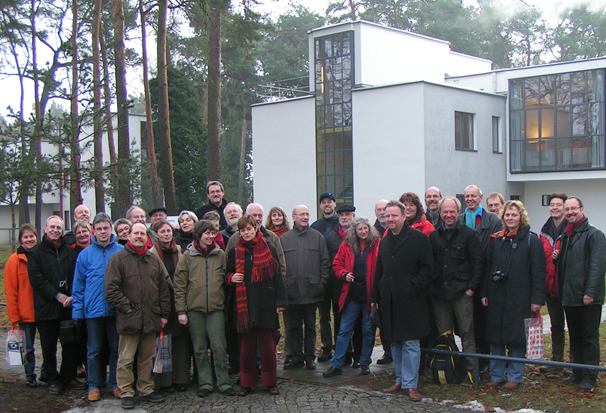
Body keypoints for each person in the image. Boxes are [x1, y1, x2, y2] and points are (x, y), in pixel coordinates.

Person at [370, 201, 433, 402]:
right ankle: (399, 379)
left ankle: (411, 384)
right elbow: (379, 271)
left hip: (411, 300)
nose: (390, 219)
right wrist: (375, 299)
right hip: (389, 299)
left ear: (404, 216)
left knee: (411, 343)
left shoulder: (419, 238)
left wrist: (412, 287)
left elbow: (428, 269)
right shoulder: (385, 240)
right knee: (395, 342)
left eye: (394, 216)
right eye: (387, 216)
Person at [105, 223, 171, 409]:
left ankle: (146, 389)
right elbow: (111, 289)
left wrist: (164, 313)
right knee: (126, 358)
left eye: (143, 233)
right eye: (136, 233)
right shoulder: (118, 260)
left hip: (151, 317)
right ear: (129, 235)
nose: (140, 236)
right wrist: (127, 307)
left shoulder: (153, 260)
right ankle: (126, 392)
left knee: (147, 356)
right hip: (129, 318)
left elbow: (164, 289)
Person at [481, 200, 545, 390]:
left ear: (521, 217)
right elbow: (488, 267)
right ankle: (497, 375)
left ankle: (515, 377)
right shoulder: (497, 240)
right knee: (496, 337)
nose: (510, 218)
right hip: (497, 296)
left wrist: (537, 299)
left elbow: (539, 272)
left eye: (514, 215)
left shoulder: (532, 240)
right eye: (507, 215)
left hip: (521, 297)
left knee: (517, 339)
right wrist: (484, 292)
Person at [173, 220, 236, 398]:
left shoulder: (220, 255)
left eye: (212, 233)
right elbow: (179, 285)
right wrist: (181, 311)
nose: (210, 236)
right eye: (206, 233)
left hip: (216, 309)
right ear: (198, 235)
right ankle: (205, 382)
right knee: (199, 349)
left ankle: (223, 382)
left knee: (219, 346)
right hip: (194, 310)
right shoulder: (187, 256)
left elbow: (226, 282)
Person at [226, 215, 288, 396]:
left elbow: (278, 277)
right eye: (242, 230)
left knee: (268, 347)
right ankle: (247, 383)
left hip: (265, 303)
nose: (246, 233)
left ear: (256, 229)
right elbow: (227, 273)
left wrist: (280, 301)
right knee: (246, 348)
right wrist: (230, 278)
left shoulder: (269, 249)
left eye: (249, 229)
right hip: (243, 306)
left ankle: (270, 382)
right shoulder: (234, 252)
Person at [428, 197, 484, 386]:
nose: (449, 215)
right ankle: (448, 370)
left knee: (467, 333)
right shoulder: (434, 236)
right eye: (445, 211)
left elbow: (478, 263)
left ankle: (470, 373)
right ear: (441, 212)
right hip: (440, 294)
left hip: (462, 293)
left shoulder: (469, 234)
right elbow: (430, 264)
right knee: (444, 335)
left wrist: (471, 289)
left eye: (452, 211)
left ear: (457, 212)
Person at [28, 215, 85, 395]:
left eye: (58, 228)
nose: (55, 230)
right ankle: (52, 379)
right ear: (45, 229)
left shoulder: (70, 251)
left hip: (67, 306)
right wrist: (57, 295)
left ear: (62, 230)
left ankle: (68, 377)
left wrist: (72, 296)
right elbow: (37, 279)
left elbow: (77, 275)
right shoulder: (36, 252)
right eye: (52, 227)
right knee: (48, 346)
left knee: (70, 345)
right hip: (47, 307)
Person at [555, 197, 606, 391]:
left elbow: (597, 266)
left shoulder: (594, 235)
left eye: (573, 208)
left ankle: (590, 376)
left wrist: (590, 292)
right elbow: (570, 266)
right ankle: (578, 372)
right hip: (571, 296)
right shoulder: (567, 236)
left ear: (582, 209)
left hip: (587, 298)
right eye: (567, 209)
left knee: (589, 337)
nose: (569, 212)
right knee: (575, 336)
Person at [72, 213, 123, 402]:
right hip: (92, 311)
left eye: (106, 228)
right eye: (99, 228)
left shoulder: (120, 251)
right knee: (93, 350)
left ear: (111, 229)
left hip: (115, 310)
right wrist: (77, 312)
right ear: (94, 230)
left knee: (116, 349)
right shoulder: (85, 254)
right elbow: (78, 286)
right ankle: (93, 385)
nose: (103, 232)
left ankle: (115, 383)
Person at [323, 217, 380, 378]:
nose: (363, 232)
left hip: (369, 295)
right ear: (355, 231)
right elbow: (336, 264)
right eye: (360, 229)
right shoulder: (346, 245)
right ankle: (337, 364)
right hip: (352, 295)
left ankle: (365, 363)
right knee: (344, 330)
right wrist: (343, 274)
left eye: (366, 228)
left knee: (368, 331)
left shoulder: (376, 244)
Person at [459, 184, 502, 371]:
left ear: (480, 197)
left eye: (473, 196)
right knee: (467, 322)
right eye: (467, 196)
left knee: (484, 321)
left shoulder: (492, 220)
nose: (469, 199)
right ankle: (470, 357)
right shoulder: (459, 219)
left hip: (484, 277)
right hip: (463, 279)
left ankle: (485, 359)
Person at [281, 205, 330, 370]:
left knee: (310, 326)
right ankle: (296, 357)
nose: (305, 217)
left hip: (312, 290)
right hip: (291, 291)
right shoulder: (284, 239)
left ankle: (310, 357)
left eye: (307, 214)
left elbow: (325, 262)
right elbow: (280, 265)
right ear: (293, 217)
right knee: (293, 327)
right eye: (302, 214)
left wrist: (322, 283)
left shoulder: (317, 237)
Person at [149, 219, 191, 393]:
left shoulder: (180, 251)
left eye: (168, 231)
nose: (166, 234)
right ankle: (164, 381)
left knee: (181, 342)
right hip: (162, 302)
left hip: (179, 301)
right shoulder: (151, 254)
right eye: (162, 232)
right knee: (163, 342)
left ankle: (181, 378)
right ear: (156, 234)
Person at [323, 204, 363, 367]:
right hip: (337, 287)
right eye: (342, 215)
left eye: (347, 214)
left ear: (353, 216)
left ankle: (358, 356)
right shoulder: (331, 237)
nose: (344, 217)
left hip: (357, 288)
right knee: (340, 324)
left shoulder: (361, 235)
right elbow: (328, 262)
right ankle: (344, 355)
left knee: (358, 324)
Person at [4, 224, 42, 387]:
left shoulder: (42, 256)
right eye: (25, 237)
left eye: (31, 236)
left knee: (49, 346)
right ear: (21, 240)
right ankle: (30, 374)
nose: (29, 239)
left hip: (44, 310)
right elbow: (10, 290)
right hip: (26, 312)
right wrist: (14, 315)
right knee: (29, 347)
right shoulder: (14, 261)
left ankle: (47, 373)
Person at [538, 192, 568, 374]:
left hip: (567, 286)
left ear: (565, 208)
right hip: (551, 285)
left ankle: (575, 364)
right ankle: (557, 361)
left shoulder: (570, 229)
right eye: (552, 205)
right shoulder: (544, 230)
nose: (555, 208)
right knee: (556, 325)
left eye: (558, 204)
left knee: (572, 327)